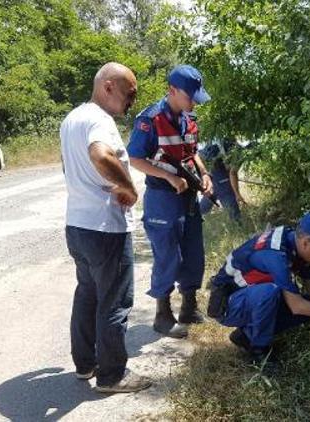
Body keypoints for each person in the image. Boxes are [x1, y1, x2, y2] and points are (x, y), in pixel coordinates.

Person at [59, 62, 151, 393]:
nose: (132, 101)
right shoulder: (100, 119)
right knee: (114, 301)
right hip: (104, 228)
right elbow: (100, 155)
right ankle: (112, 375)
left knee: (88, 293)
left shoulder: (72, 118)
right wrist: (128, 186)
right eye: (130, 93)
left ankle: (85, 364)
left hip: (78, 226)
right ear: (108, 86)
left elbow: (70, 166)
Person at [207, 212, 310, 371]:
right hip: (226, 304)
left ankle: (246, 336)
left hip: (248, 297)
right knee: (271, 293)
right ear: (306, 242)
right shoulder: (276, 255)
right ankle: (258, 352)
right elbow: (297, 306)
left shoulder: (293, 242)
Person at [127, 65, 213, 338]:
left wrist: (204, 173)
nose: (193, 103)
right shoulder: (149, 120)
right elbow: (135, 158)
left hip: (189, 196)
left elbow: (192, 152)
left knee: (193, 252)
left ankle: (189, 306)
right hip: (163, 198)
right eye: (190, 96)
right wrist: (169, 177)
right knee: (167, 255)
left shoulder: (189, 118)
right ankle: (162, 315)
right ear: (172, 91)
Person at [199, 138, 246, 222]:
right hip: (221, 179)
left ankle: (193, 218)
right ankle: (239, 228)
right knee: (233, 211)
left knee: (204, 205)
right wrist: (237, 194)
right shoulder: (240, 153)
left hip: (213, 175)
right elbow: (233, 173)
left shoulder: (229, 145)